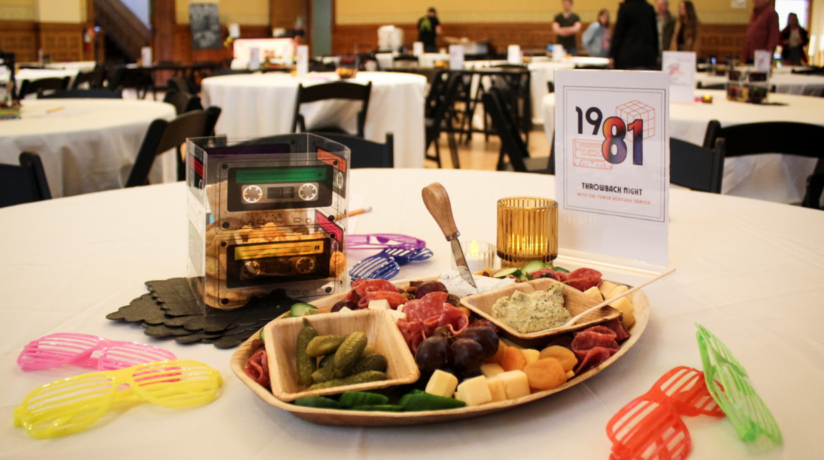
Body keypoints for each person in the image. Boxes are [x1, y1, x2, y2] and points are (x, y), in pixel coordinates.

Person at [609, 0, 658, 70]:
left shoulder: (625, 8)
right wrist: (656, 54)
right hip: (646, 57)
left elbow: (618, 34)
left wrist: (612, 55)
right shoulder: (650, 8)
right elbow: (654, 34)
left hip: (627, 57)